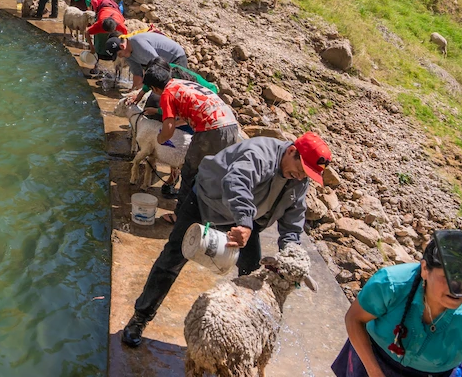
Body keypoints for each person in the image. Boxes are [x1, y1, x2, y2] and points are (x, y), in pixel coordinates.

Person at [121, 132, 333, 348]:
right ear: (291, 151)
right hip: (206, 203)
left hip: (245, 219)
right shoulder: (259, 153)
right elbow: (236, 182)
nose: (301, 177)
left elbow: (293, 220)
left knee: (252, 274)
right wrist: (244, 223)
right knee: (172, 258)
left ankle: (242, 331)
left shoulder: (299, 180)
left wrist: (291, 254)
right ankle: (140, 318)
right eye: (301, 170)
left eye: (306, 175)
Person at [333, 233, 462, 377]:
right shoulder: (391, 284)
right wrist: (374, 372)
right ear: (425, 269)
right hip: (373, 358)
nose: (457, 289)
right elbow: (354, 319)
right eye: (447, 278)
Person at [142, 60, 241, 201]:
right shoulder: (182, 83)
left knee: (190, 171)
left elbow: (168, 130)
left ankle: (184, 210)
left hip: (211, 130)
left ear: (154, 88)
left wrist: (159, 139)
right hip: (230, 125)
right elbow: (189, 114)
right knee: (216, 171)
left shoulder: (167, 94)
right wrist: (176, 124)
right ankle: (212, 207)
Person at [119, 31, 189, 99]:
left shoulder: (139, 45)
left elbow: (157, 67)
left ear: (122, 46)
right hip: (161, 64)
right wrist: (134, 91)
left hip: (175, 58)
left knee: (174, 93)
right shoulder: (127, 55)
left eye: (119, 54)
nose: (120, 57)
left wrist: (141, 92)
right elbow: (137, 74)